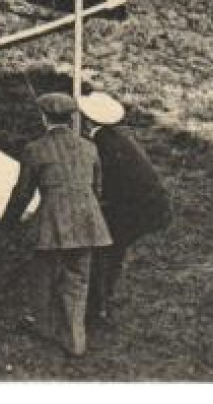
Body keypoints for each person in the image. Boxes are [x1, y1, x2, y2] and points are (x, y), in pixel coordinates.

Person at [0, 91, 111, 358]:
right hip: (88, 220)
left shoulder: (35, 150)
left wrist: (7, 223)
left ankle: (44, 327)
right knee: (78, 279)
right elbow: (97, 188)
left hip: (52, 221)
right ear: (72, 117)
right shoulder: (89, 148)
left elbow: (22, 193)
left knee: (43, 276)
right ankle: (75, 339)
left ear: (44, 117)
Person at [79, 91, 172, 326]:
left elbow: (104, 187)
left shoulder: (101, 146)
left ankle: (95, 311)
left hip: (136, 210)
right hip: (146, 205)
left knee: (101, 251)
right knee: (110, 250)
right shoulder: (114, 138)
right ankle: (102, 300)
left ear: (88, 120)